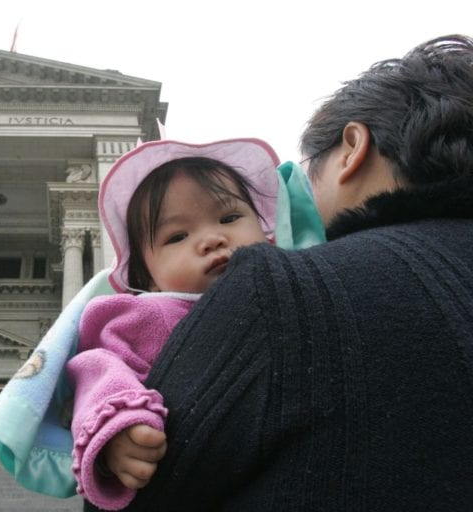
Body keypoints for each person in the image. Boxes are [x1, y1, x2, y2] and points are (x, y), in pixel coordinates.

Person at [99, 34, 473, 511]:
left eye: (231, 217)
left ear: (352, 149)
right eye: (175, 236)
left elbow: (145, 494)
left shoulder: (287, 292)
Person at [68, 138, 313, 510]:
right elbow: (99, 371)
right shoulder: (145, 317)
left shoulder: (294, 295)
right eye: (178, 236)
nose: (212, 239)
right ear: (149, 279)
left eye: (229, 218)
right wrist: (117, 431)